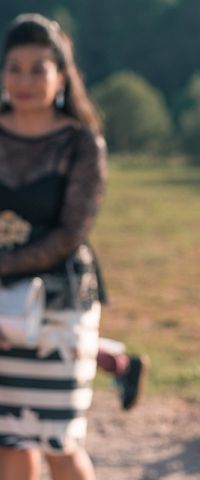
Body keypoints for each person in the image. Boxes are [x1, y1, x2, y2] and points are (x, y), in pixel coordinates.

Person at [0, 14, 143, 480]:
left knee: (59, 439)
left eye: (37, 68)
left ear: (61, 76)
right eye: (14, 67)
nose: (24, 80)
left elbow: (70, 234)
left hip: (62, 306)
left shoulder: (81, 142)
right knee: (9, 439)